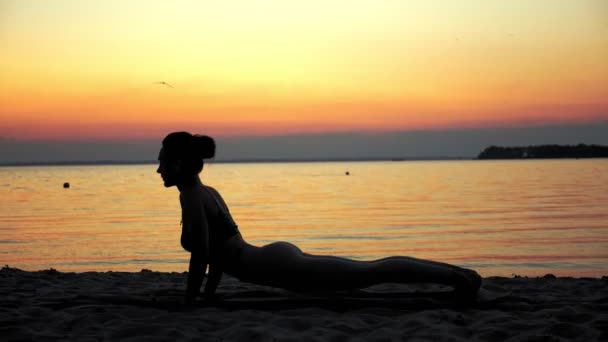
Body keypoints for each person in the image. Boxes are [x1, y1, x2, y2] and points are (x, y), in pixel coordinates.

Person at [157, 132, 481, 304]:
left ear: (181, 164)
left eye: (164, 163)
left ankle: (459, 279)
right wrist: (208, 295)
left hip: (277, 266)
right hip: (272, 258)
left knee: (370, 272)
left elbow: (202, 255)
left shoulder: (192, 196)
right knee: (368, 270)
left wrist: (190, 300)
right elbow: (217, 254)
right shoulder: (208, 191)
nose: (159, 170)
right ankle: (459, 275)